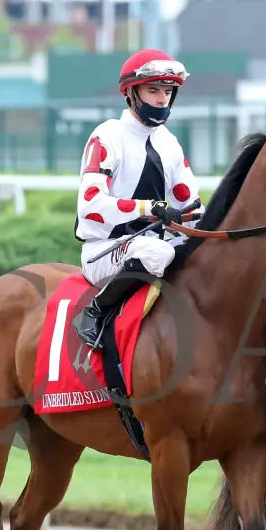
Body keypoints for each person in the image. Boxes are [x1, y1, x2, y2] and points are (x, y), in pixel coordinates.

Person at [74, 48, 201, 349]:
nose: (161, 99)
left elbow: (190, 205)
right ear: (131, 93)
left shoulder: (168, 143)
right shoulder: (108, 136)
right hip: (105, 250)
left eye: (168, 92)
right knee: (157, 253)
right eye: (153, 90)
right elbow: (90, 204)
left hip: (150, 244)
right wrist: (150, 208)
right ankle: (95, 312)